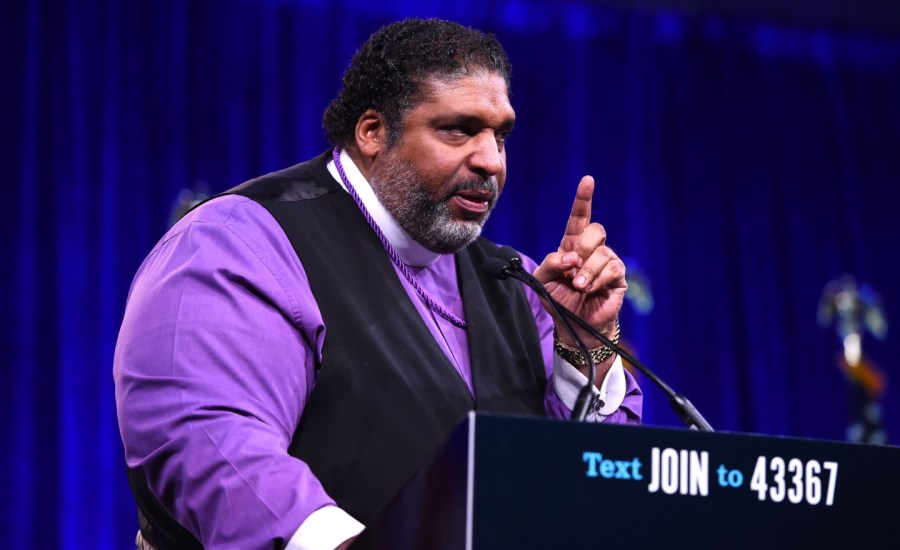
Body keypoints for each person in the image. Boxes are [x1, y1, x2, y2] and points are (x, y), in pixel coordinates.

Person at [114, 17, 642, 550]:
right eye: (458, 129)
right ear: (372, 132)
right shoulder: (240, 242)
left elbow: (589, 489)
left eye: (499, 135)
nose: (491, 161)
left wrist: (586, 350)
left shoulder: (519, 283)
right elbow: (210, 437)